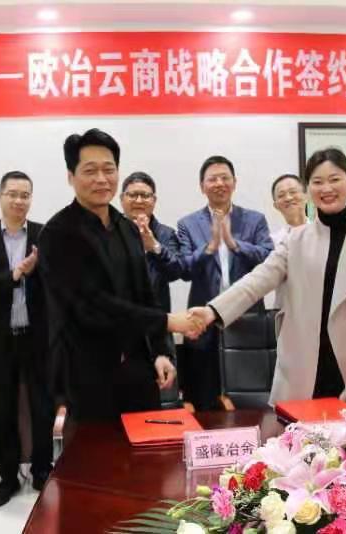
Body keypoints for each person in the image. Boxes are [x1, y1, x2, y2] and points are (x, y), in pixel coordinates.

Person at [187, 148, 346, 405]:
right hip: (307, 366)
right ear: (309, 190)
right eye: (317, 182)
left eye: (334, 179)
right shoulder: (296, 240)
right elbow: (257, 280)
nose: (326, 188)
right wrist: (212, 311)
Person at [37, 128, 197, 427]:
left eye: (108, 169)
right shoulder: (57, 234)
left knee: (145, 450)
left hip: (139, 373)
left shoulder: (127, 228)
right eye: (90, 170)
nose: (101, 179)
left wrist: (160, 351)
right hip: (87, 375)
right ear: (71, 176)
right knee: (96, 454)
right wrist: (166, 321)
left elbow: (144, 294)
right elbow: (91, 305)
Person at [0, 170, 54, 507]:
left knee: (42, 409)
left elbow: (59, 282)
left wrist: (39, 271)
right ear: (0, 197)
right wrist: (13, 275)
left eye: (25, 195)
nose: (19, 200)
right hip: (0, 339)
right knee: (2, 412)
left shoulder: (44, 235)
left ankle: (42, 471)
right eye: (13, 194)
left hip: (37, 337)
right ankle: (7, 477)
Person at [176, 155, 274, 410]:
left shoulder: (255, 220)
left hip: (246, 316)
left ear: (234, 182)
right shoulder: (187, 224)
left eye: (224, 178)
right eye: (212, 179)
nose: (219, 183)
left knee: (249, 395)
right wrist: (209, 248)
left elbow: (269, 259)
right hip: (203, 319)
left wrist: (234, 244)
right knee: (204, 395)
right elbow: (184, 269)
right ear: (202, 186)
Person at [119, 171, 183, 314]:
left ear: (154, 200)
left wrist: (154, 246)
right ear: (122, 199)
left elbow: (176, 272)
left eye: (145, 195)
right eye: (132, 195)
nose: (139, 201)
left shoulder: (166, 234)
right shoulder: (108, 231)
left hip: (155, 319)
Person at [268, 173, 309, 310]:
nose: (288, 198)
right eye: (281, 195)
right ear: (276, 205)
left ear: (306, 196)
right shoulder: (272, 242)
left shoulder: (324, 233)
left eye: (293, 192)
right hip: (285, 312)